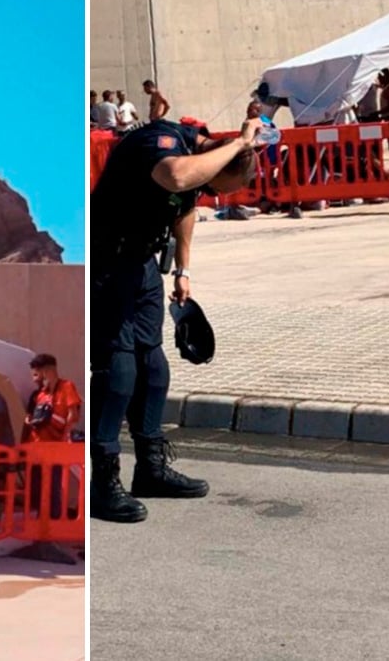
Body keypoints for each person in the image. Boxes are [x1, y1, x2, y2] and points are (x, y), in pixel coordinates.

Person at [90, 115, 262, 523]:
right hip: (108, 262)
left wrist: (183, 270)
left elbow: (185, 207)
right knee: (119, 368)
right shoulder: (163, 142)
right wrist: (239, 144)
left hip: (143, 263)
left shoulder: (198, 167)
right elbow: (177, 179)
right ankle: (104, 482)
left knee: (153, 366)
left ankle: (150, 469)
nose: (218, 197)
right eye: (223, 189)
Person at [23, 354, 81, 444]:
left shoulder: (66, 387)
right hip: (36, 442)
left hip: (56, 443)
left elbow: (73, 415)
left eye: (36, 374)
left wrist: (65, 437)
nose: (35, 380)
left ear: (47, 371)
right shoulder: (39, 394)